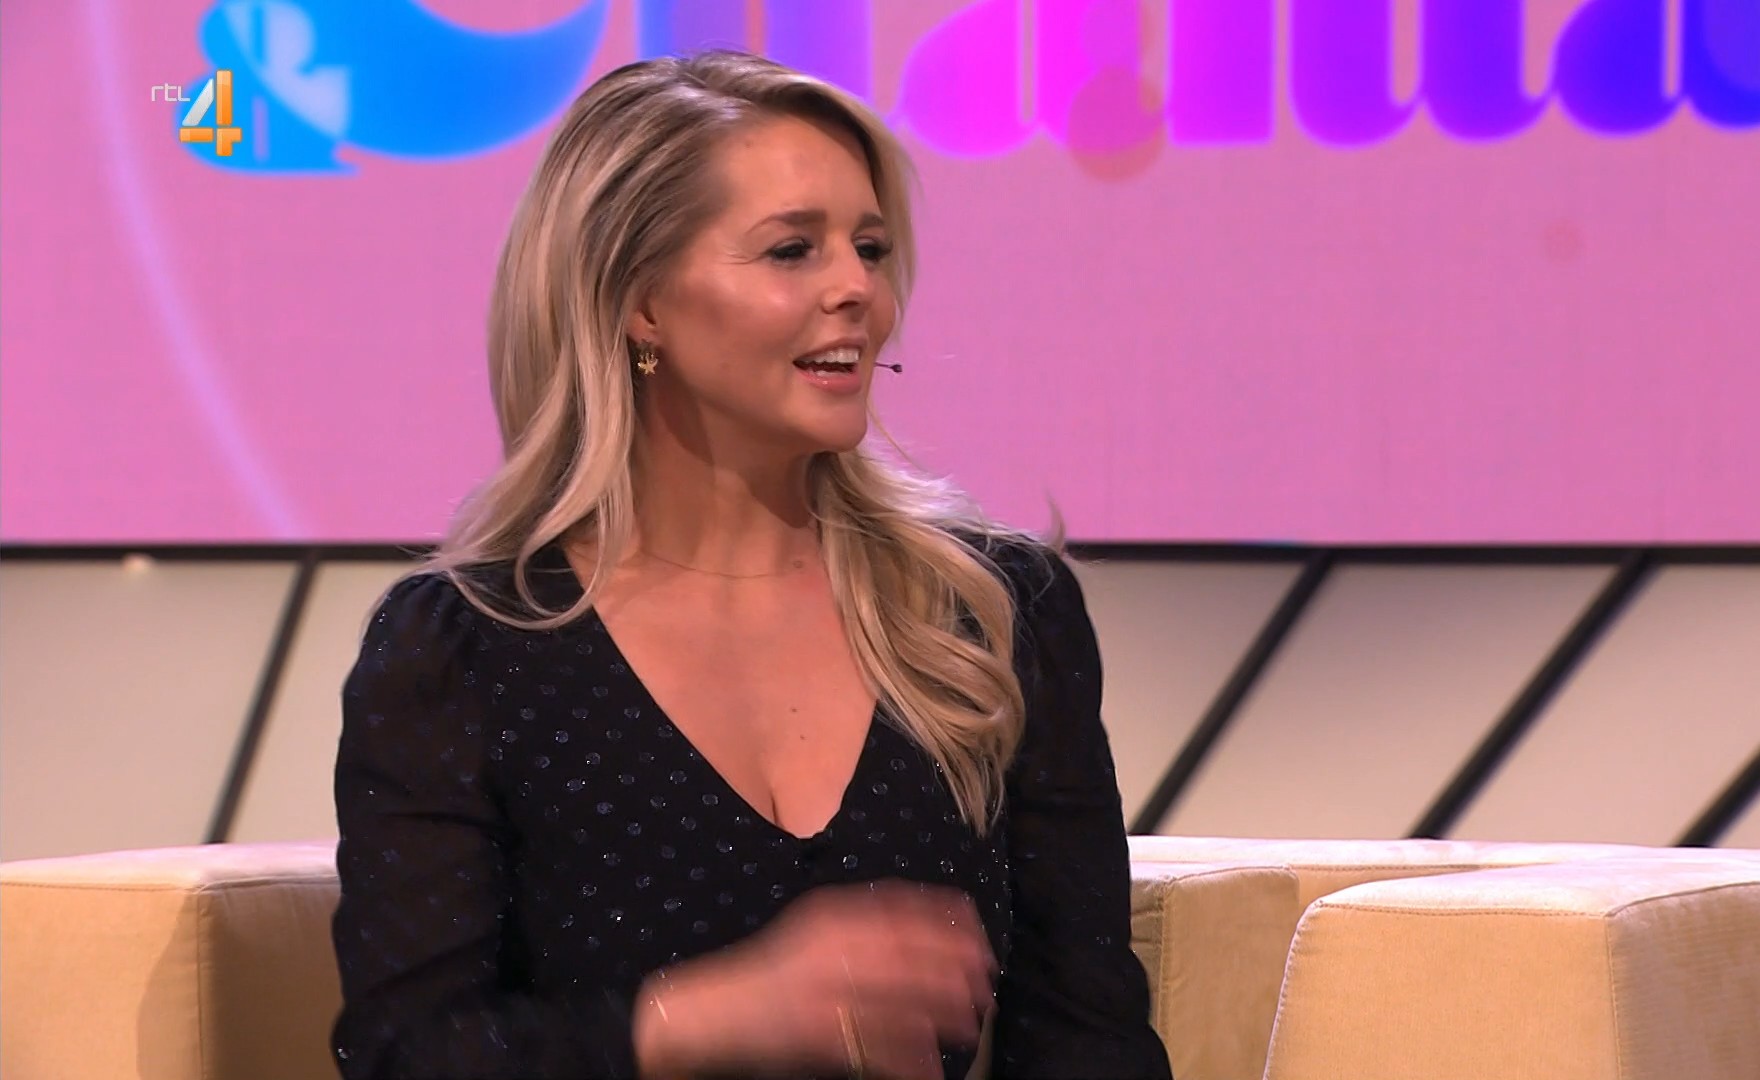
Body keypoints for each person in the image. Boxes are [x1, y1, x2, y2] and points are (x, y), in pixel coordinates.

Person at [329, 50, 1172, 1080]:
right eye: (792, 250)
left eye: (870, 248)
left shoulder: (994, 613)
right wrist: (712, 1015)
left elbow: (1090, 1040)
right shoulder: (463, 649)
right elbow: (408, 1054)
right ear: (640, 300)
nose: (859, 290)